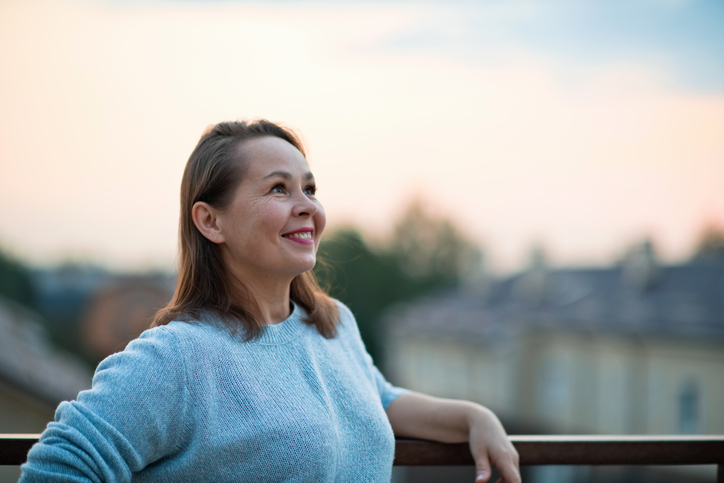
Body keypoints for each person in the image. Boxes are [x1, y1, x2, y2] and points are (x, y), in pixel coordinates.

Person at [20, 120, 520, 483]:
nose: (306, 206)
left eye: (309, 187)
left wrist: (473, 417)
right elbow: (57, 469)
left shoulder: (332, 324)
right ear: (210, 222)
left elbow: (378, 400)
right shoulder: (178, 357)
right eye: (278, 189)